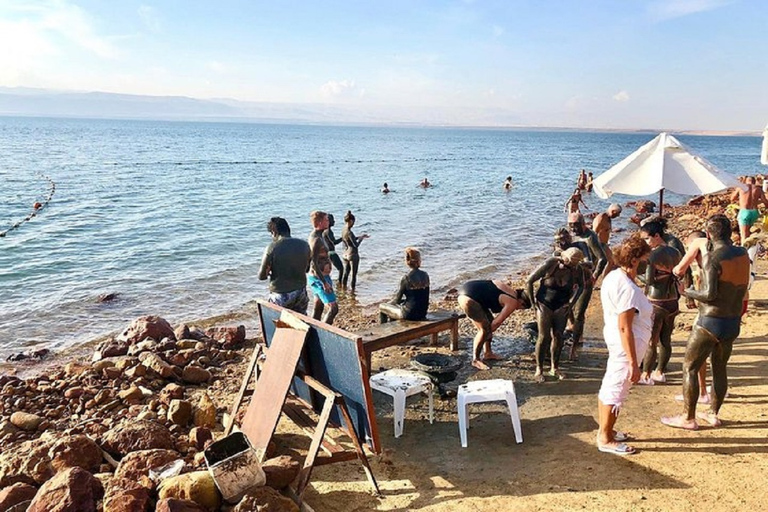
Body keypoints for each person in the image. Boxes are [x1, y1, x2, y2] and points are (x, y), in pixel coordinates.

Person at [661, 214, 750, 430]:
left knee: (690, 367)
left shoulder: (713, 257)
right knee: (720, 368)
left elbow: (710, 294)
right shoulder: (742, 253)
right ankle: (713, 414)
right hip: (732, 321)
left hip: (711, 321)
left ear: (709, 234)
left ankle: (688, 418)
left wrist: (688, 291)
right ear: (730, 232)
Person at [597, 234, 653, 456]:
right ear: (634, 261)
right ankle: (606, 437)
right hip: (624, 347)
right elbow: (625, 327)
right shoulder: (627, 289)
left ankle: (607, 429)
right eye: (644, 260)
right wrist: (633, 363)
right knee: (616, 390)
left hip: (618, 342)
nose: (647, 264)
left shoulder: (614, 276)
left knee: (612, 385)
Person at [527, 247, 584, 381]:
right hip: (544, 304)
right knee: (543, 336)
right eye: (568, 263)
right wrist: (533, 304)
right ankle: (539, 369)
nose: (569, 266)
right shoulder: (550, 264)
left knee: (558, 336)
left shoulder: (577, 270)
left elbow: (581, 286)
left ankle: (555, 367)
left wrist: (571, 303)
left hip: (562, 305)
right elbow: (529, 280)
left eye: (573, 264)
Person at [638, 218, 682, 385]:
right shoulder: (675, 252)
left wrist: (635, 273)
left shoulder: (653, 255)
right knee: (666, 340)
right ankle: (660, 372)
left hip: (656, 301)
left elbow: (649, 281)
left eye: (647, 239)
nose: (646, 242)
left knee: (651, 341)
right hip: (672, 300)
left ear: (656, 236)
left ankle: (646, 375)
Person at [457, 280, 531, 370]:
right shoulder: (513, 302)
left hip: (467, 291)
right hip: (468, 300)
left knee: (488, 323)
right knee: (484, 330)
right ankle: (476, 360)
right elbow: (496, 323)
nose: (518, 309)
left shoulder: (510, 290)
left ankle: (488, 353)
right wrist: (485, 333)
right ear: (522, 302)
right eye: (521, 308)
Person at [567, 212, 607, 359]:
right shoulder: (573, 235)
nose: (573, 229)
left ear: (583, 224)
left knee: (579, 312)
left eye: (576, 226)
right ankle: (573, 328)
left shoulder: (590, 237)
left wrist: (595, 276)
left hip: (586, 279)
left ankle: (577, 341)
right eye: (571, 226)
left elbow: (602, 259)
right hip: (573, 278)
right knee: (568, 305)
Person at [258, 217, 312, 314]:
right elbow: (307, 269)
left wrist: (271, 272)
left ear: (274, 231)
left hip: (281, 294)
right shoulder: (305, 245)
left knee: (277, 322)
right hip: (301, 291)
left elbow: (262, 276)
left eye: (271, 234)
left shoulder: (272, 248)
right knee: (301, 321)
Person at [379, 248, 430, 323]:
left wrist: (388, 303)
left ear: (407, 261)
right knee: (401, 305)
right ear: (419, 260)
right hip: (422, 313)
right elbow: (420, 296)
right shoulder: (425, 275)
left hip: (409, 315)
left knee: (382, 307)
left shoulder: (406, 278)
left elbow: (397, 300)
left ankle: (384, 332)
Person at [308, 210, 338, 324]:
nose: (328, 222)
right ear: (320, 222)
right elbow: (314, 262)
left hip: (320, 277)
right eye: (326, 220)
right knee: (333, 308)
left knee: (318, 306)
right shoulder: (316, 240)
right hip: (319, 279)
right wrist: (324, 283)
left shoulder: (321, 236)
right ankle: (325, 333)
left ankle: (312, 330)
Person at [730, 176, 767, 244]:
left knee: (744, 234)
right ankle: (751, 251)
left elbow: (732, 198)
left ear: (746, 181)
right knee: (751, 233)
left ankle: (744, 252)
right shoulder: (758, 189)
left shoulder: (741, 187)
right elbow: (765, 201)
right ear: (754, 181)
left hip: (744, 212)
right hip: (754, 213)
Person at [341, 210, 369, 290]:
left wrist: (359, 236)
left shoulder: (343, 230)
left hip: (345, 254)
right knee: (353, 275)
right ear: (351, 221)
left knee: (346, 273)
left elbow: (348, 240)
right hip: (352, 254)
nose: (354, 224)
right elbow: (355, 245)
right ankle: (352, 292)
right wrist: (361, 239)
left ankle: (343, 289)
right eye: (353, 222)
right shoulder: (349, 232)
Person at [592, 203, 622, 275]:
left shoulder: (608, 218)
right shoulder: (601, 218)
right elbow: (594, 232)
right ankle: (597, 278)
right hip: (599, 244)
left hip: (604, 244)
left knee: (611, 261)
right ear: (613, 211)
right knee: (602, 263)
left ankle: (604, 278)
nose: (618, 216)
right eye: (617, 213)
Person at [322, 214, 344, 283]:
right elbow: (334, 242)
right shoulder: (328, 231)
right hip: (331, 253)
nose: (334, 221)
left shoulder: (324, 231)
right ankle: (340, 283)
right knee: (341, 269)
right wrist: (343, 238)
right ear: (328, 221)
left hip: (327, 253)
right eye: (332, 220)